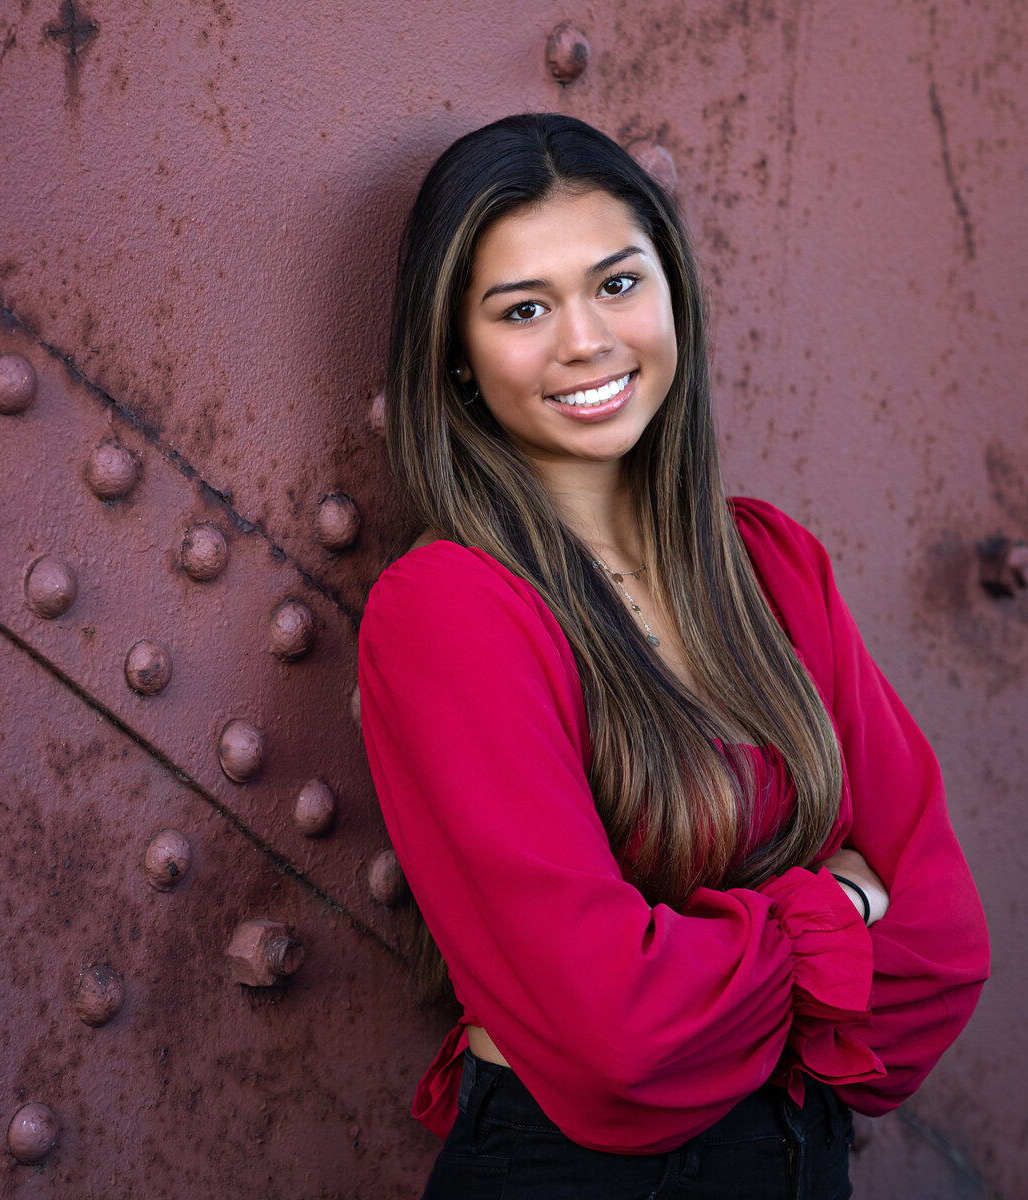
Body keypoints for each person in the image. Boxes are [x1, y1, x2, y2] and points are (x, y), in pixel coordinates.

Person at [356, 113, 990, 1199]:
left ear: (673, 294)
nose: (585, 341)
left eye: (616, 284)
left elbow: (938, 949)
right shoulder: (450, 609)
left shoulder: (768, 567)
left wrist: (709, 961)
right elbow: (617, 1024)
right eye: (522, 309)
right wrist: (832, 913)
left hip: (801, 1166)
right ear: (456, 359)